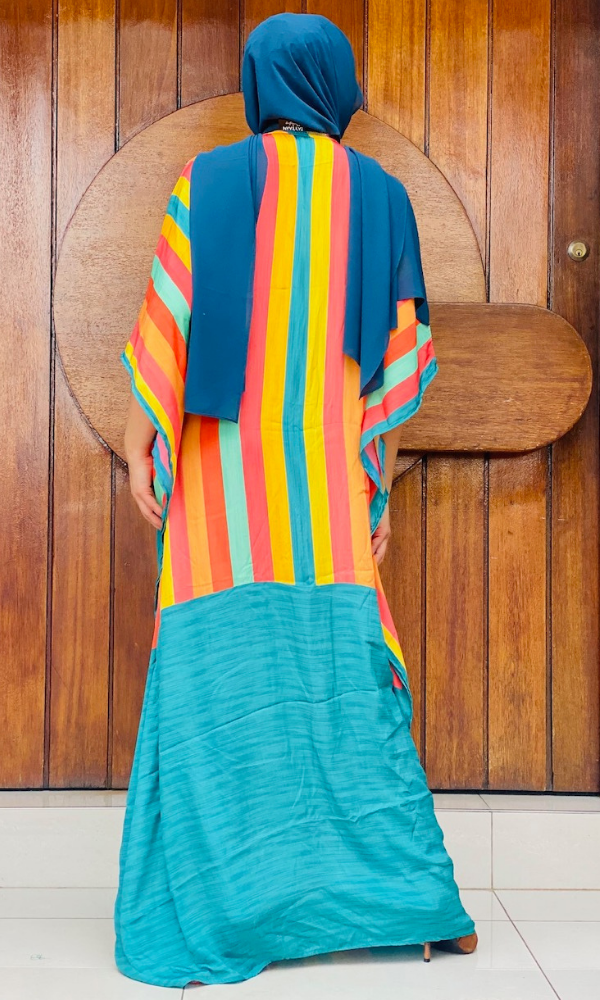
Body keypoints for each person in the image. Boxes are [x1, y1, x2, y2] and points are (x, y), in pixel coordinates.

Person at [115, 12, 476, 988]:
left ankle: (230, 899)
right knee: (346, 685)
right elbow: (395, 365)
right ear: (336, 84)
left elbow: (167, 334)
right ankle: (409, 902)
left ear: (259, 82)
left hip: (217, 489)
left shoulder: (207, 181)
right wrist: (376, 484)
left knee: (218, 686)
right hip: (322, 489)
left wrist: (144, 440)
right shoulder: (382, 196)